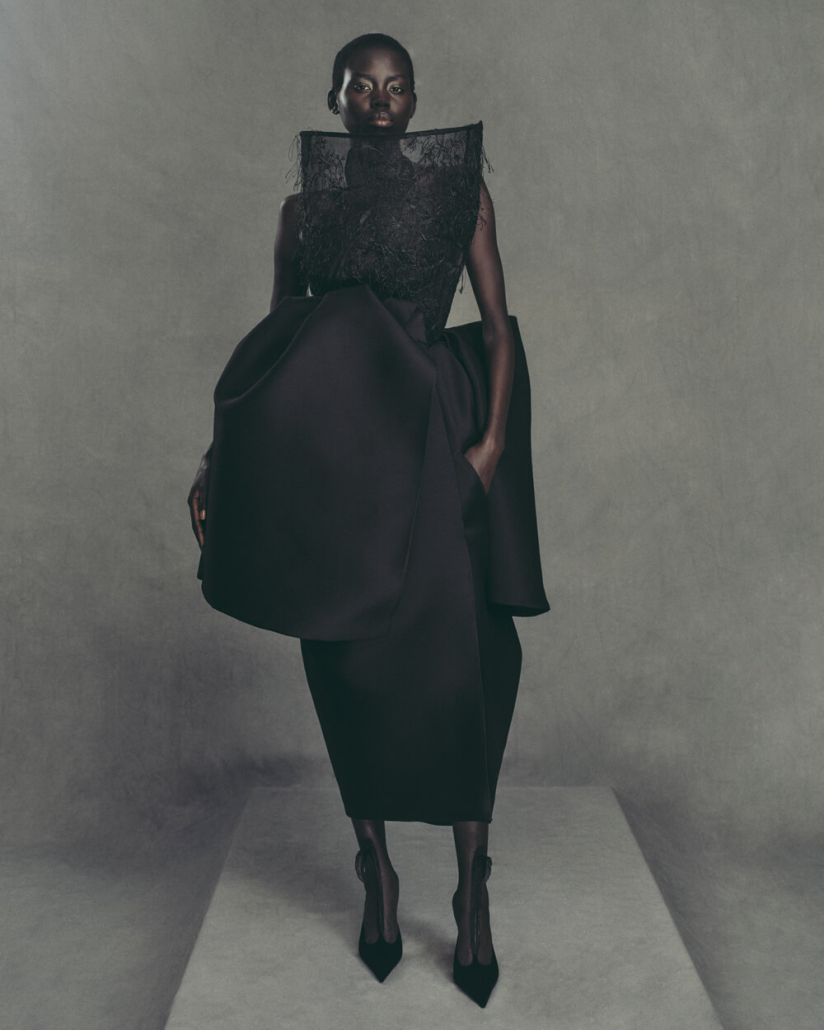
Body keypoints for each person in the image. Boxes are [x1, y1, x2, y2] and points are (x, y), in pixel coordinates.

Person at [188, 33, 548, 1008]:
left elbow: (498, 326)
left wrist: (489, 447)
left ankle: (471, 888)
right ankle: (376, 873)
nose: (381, 99)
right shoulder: (302, 212)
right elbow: (274, 351)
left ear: (414, 99)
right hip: (340, 459)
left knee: (464, 659)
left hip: (439, 439)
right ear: (336, 98)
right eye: (363, 85)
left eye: (397, 87)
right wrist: (219, 460)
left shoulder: (461, 193)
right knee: (346, 659)